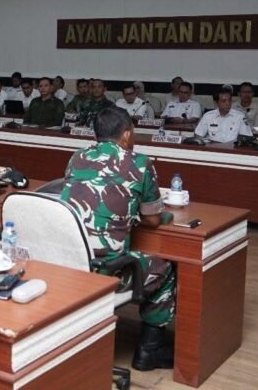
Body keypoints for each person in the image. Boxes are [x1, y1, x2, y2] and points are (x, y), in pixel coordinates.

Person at [57, 107, 176, 371]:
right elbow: (153, 220)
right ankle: (149, 351)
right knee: (167, 266)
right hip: (106, 272)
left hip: (68, 265)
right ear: (125, 134)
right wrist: (165, 217)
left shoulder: (77, 157)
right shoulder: (140, 163)